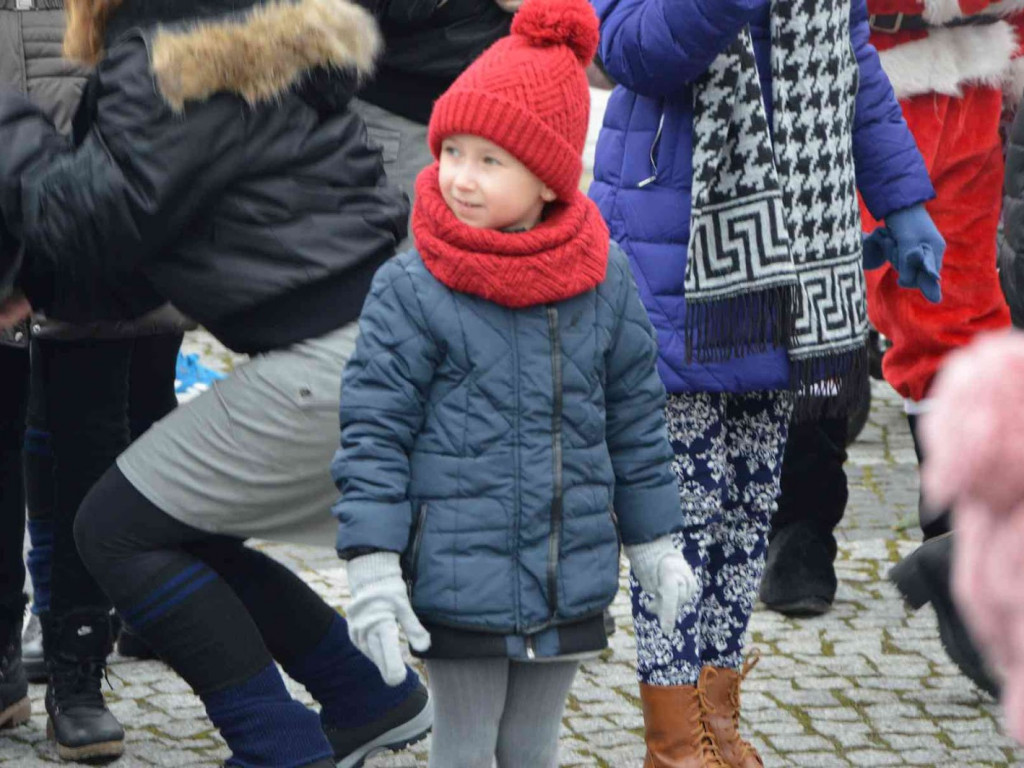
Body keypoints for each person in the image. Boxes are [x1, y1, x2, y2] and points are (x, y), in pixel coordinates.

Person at [0, 0, 434, 764]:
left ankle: (277, 746)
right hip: (377, 339)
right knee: (174, 521)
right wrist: (39, 292)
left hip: (337, 357)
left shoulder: (173, 56)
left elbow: (85, 220)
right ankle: (368, 692)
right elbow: (143, 245)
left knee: (112, 529)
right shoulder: (234, 33)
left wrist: (8, 118)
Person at [331, 2, 698, 765]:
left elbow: (634, 421)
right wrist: (371, 563)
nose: (460, 177)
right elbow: (374, 433)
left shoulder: (603, 279)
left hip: (568, 573)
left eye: (490, 160)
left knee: (532, 747)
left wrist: (656, 541)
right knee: (464, 747)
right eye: (453, 150)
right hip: (455, 578)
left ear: (550, 176)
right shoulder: (413, 285)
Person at [590, 0, 942, 762]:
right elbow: (628, 50)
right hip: (671, 260)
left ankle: (717, 723)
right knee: (683, 519)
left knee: (748, 514)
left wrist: (904, 199)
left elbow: (854, 65)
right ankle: (675, 742)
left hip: (789, 262)